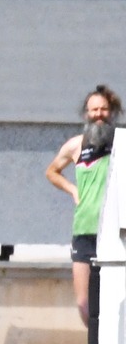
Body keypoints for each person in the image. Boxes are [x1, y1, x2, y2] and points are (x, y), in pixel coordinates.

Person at [47, 84, 119, 325]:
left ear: (112, 111)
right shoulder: (76, 145)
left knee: (117, 301)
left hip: (115, 232)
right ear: (86, 113)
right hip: (84, 230)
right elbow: (52, 171)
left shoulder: (122, 144)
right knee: (84, 304)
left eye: (104, 109)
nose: (99, 114)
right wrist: (72, 190)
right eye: (94, 110)